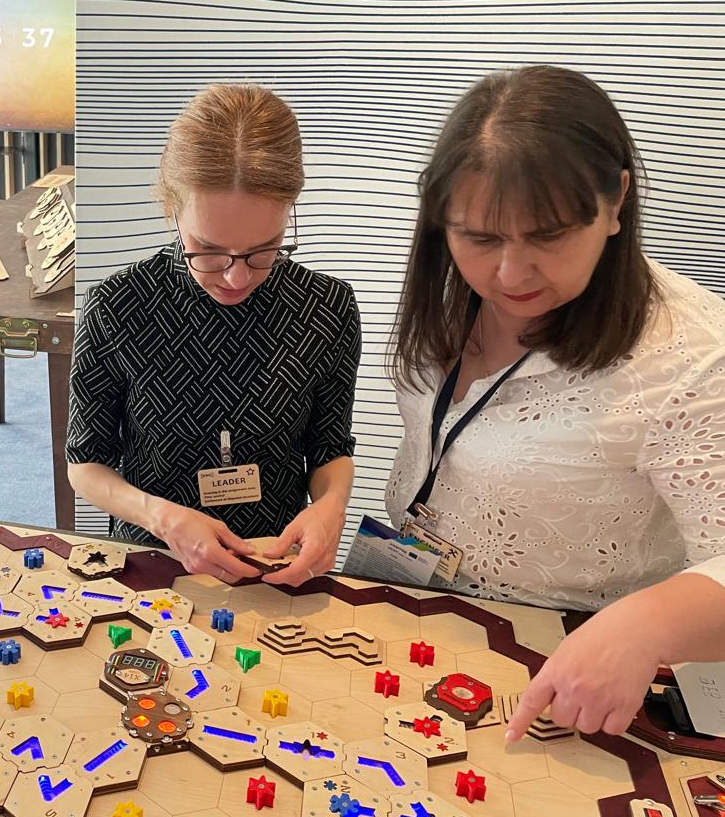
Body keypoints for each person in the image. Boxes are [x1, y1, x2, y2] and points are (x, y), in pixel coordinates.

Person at [384, 65, 725, 740]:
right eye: (480, 238)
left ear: (616, 201)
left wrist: (644, 625)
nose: (510, 273)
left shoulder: (688, 358)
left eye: (548, 236)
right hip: (421, 623)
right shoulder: (449, 291)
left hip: (566, 680)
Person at [67, 84, 361, 588]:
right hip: (155, 558)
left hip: (277, 564)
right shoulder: (119, 306)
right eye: (208, 249)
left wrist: (332, 506)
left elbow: (329, 445)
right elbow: (86, 462)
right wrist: (162, 518)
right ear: (171, 208)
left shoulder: (324, 307)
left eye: (265, 250)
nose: (236, 277)